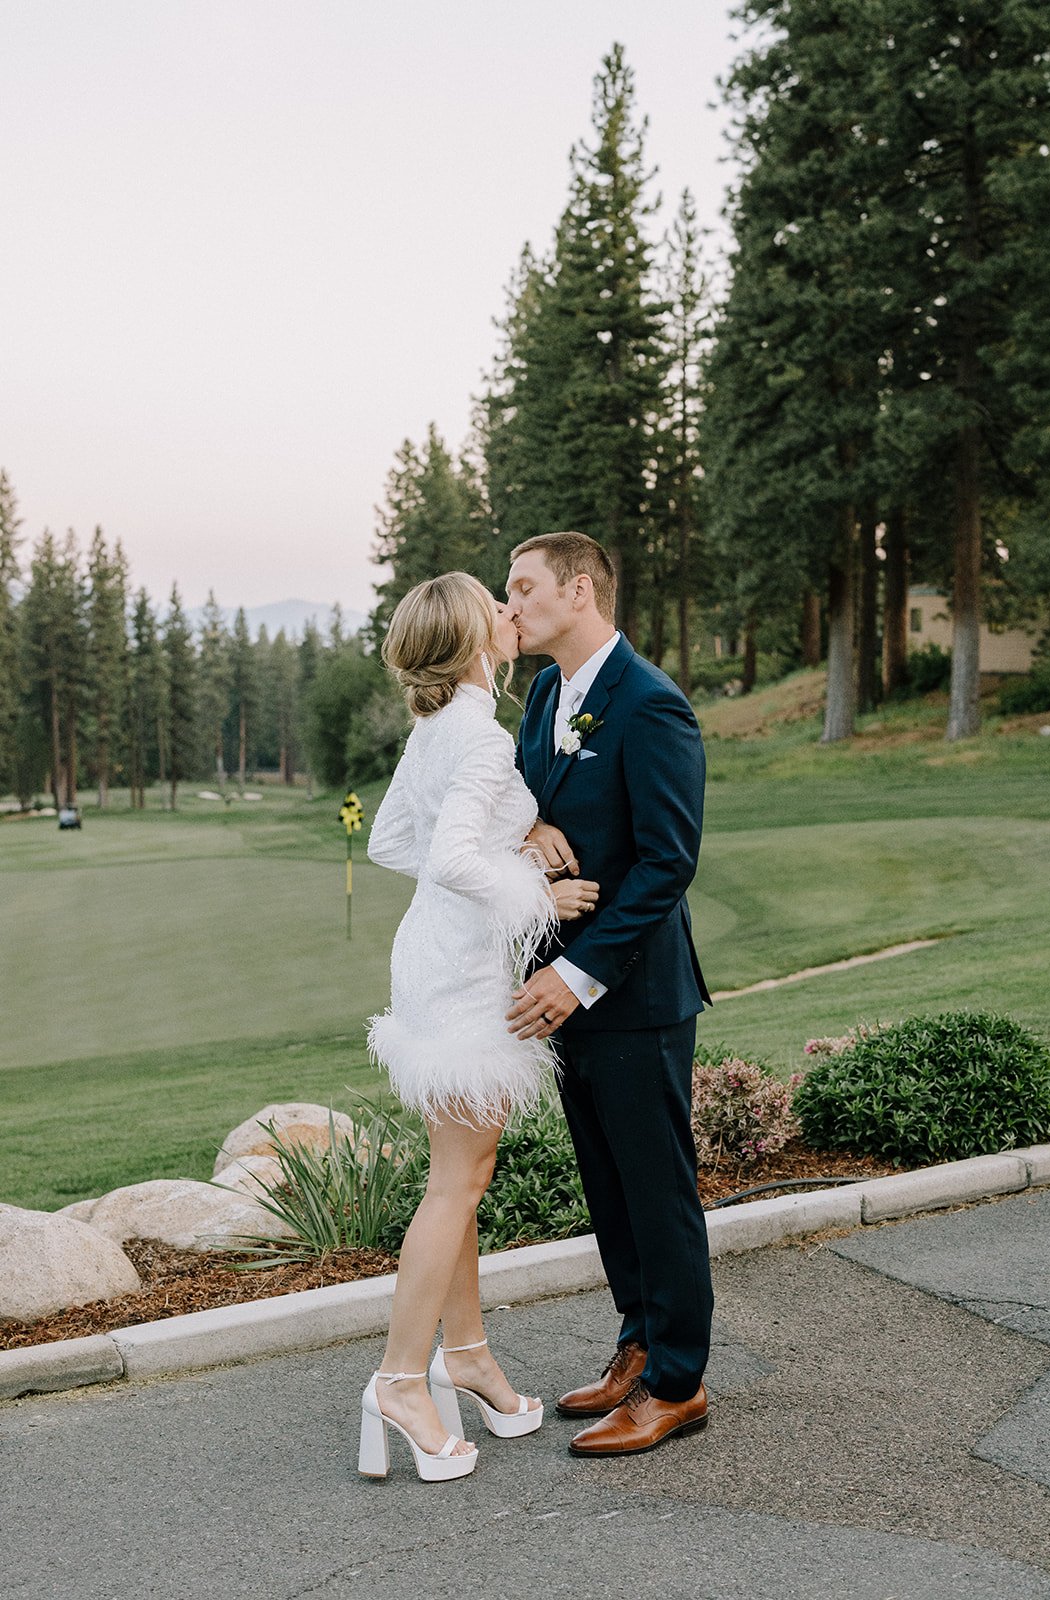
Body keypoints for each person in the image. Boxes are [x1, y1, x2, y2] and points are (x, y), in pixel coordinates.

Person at [359, 571, 600, 1483]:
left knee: (460, 1174)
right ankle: (398, 1380)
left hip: (430, 964)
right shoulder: (483, 737)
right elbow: (453, 855)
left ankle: (465, 1357)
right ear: (468, 642)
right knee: (458, 1183)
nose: (511, 616)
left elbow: (394, 844)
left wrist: (518, 834)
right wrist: (536, 889)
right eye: (494, 609)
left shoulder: (437, 729)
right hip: (459, 980)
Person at [504, 531, 714, 1458]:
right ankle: (636, 1342)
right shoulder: (547, 692)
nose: (508, 608)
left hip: (629, 995)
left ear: (579, 589)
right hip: (559, 992)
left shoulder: (651, 704)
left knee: (657, 1192)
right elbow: (521, 798)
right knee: (609, 1188)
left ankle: (678, 1383)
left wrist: (576, 976)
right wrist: (535, 820)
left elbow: (669, 863)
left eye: (522, 589)